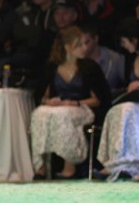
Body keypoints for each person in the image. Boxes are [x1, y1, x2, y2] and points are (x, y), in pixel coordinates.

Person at [30, 27, 111, 178]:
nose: (84, 48)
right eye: (79, 45)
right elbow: (42, 96)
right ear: (67, 48)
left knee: (65, 115)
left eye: (84, 44)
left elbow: (98, 100)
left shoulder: (89, 67)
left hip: (83, 107)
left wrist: (75, 103)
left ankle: (69, 166)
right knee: (39, 114)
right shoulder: (52, 67)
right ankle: (40, 166)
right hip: (59, 107)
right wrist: (49, 101)